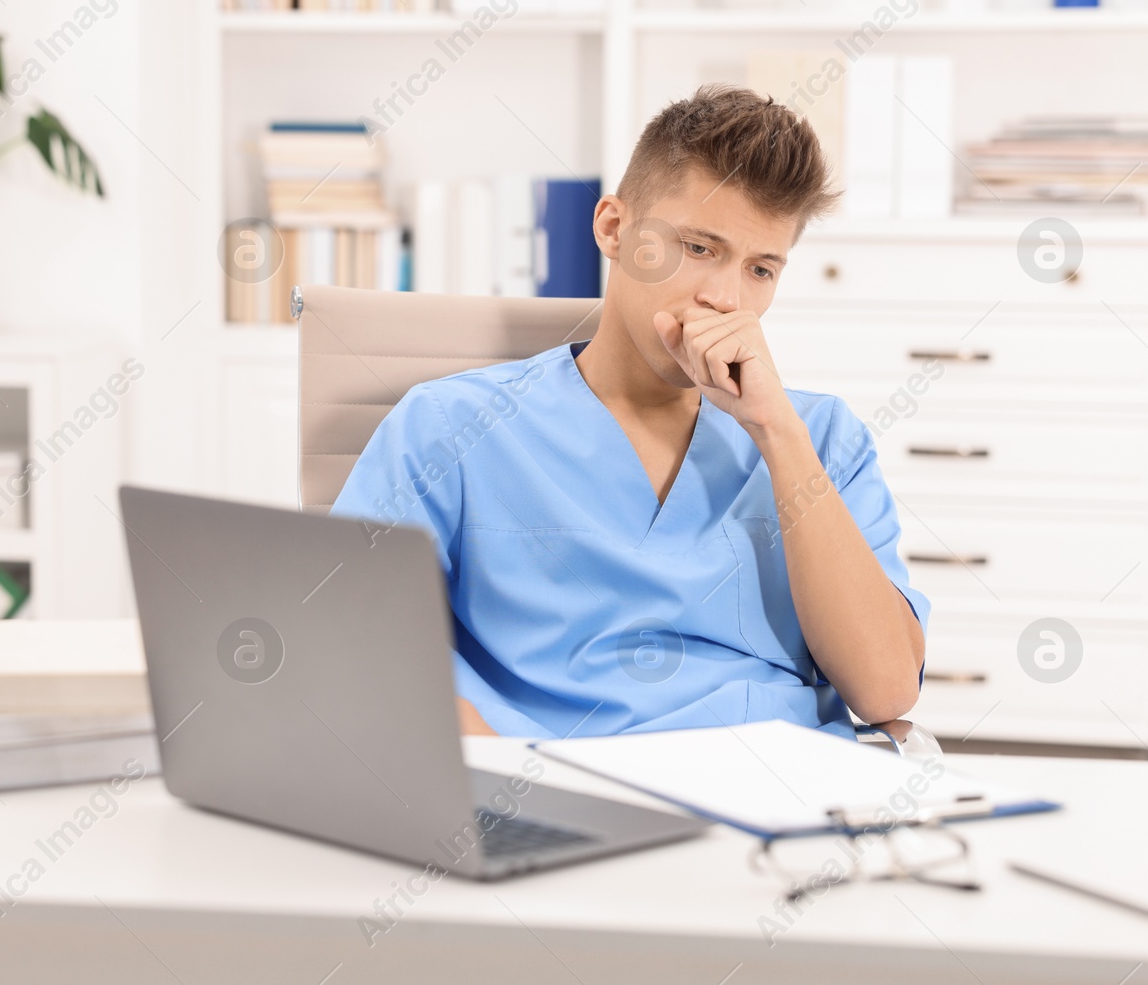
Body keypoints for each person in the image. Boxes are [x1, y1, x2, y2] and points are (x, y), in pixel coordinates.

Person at [331, 84, 928, 739]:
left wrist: (777, 433)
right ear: (613, 229)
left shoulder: (819, 437)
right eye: (699, 248)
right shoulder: (452, 427)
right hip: (568, 798)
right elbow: (348, 640)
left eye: (761, 269)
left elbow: (886, 689)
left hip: (789, 803)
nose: (726, 298)